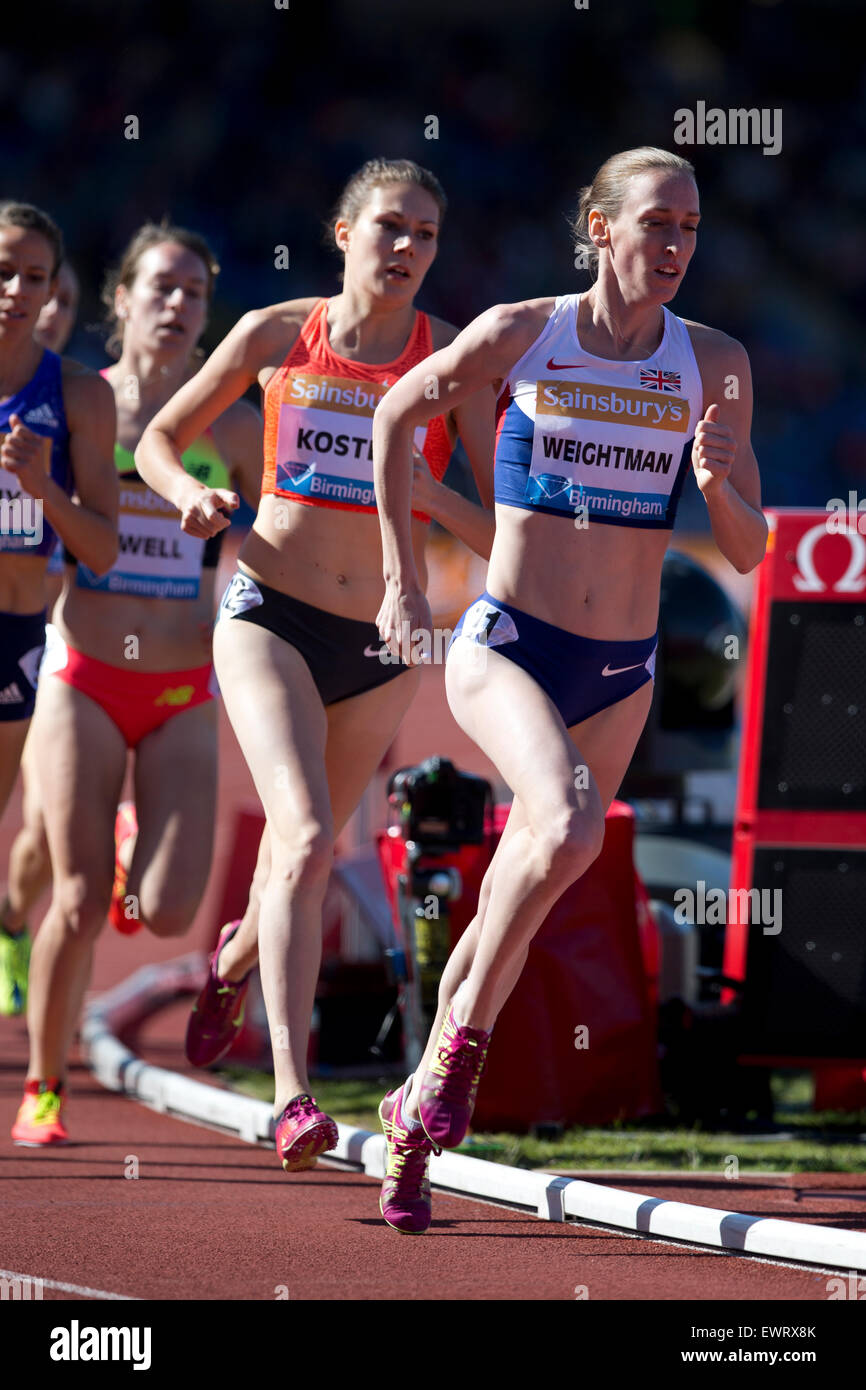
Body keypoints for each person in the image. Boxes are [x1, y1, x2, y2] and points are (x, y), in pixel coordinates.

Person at [372, 146, 768, 1232]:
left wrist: (714, 480)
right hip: (505, 641)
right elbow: (396, 416)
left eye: (689, 228)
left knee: (527, 880)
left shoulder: (714, 363)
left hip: (619, 667)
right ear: (599, 228)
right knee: (563, 821)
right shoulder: (519, 331)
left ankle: (411, 1123)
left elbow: (746, 548)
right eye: (655, 224)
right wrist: (405, 587)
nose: (675, 245)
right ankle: (461, 1053)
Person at [136, 158, 495, 1173]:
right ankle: (294, 1095)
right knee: (297, 832)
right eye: (389, 226)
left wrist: (423, 490)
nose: (406, 250)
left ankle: (231, 965)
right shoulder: (270, 334)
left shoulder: (449, 360)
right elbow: (165, 438)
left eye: (425, 235)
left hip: (382, 644)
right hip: (269, 613)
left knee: (307, 855)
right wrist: (186, 496)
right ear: (342, 232)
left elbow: (494, 524)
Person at [11, 223, 261, 1144]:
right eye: (160, 287)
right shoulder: (84, 406)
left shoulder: (233, 426)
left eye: (195, 292)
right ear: (119, 300)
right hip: (80, 677)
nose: (178, 305)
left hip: (181, 689)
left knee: (167, 909)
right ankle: (44, 1084)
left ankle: (130, 842)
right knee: (76, 903)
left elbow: (285, 542)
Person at [0, 206, 117, 1019]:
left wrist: (46, 492)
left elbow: (103, 551)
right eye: (4, 271)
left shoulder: (75, 395)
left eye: (33, 277)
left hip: (16, 637)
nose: (16, 291)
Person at [0, 256, 81, 1015]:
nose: (39, 309)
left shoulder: (82, 402)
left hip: (54, 634)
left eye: (57, 300)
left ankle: (11, 917)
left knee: (46, 831)